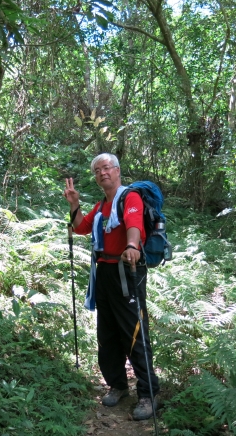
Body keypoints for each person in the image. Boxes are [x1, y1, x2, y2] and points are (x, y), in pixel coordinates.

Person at [63, 153, 160, 421]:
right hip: (104, 272)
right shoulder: (101, 205)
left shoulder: (130, 198)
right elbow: (82, 227)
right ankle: (118, 384)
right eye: (98, 170)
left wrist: (131, 246)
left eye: (107, 168)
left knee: (134, 333)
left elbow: (134, 225)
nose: (102, 172)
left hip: (127, 270)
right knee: (107, 333)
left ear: (117, 170)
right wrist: (74, 204)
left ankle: (148, 393)